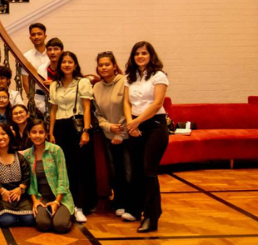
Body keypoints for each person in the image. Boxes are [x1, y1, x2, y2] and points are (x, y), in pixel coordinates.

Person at [123, 41, 170, 233]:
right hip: (134, 124)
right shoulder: (130, 76)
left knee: (149, 171)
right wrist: (130, 123)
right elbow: (126, 102)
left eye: (144, 53)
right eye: (137, 54)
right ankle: (136, 209)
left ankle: (152, 217)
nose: (140, 56)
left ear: (151, 55)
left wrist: (137, 122)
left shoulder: (159, 76)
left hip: (155, 125)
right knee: (136, 170)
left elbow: (157, 103)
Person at [48, 50, 95, 222]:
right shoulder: (55, 85)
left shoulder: (82, 82)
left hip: (77, 127)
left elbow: (87, 108)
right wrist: (51, 132)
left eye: (70, 61)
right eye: (64, 62)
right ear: (59, 65)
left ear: (75, 65)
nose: (67, 64)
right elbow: (53, 110)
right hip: (60, 127)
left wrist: (86, 131)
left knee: (79, 168)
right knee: (64, 168)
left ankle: (80, 206)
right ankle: (67, 204)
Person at [93, 51, 131, 220]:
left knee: (128, 171)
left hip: (127, 135)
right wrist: (108, 127)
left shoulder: (125, 82)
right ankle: (119, 200)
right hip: (108, 135)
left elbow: (128, 108)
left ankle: (130, 203)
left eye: (107, 64)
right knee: (114, 171)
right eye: (101, 65)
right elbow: (97, 114)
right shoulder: (96, 87)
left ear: (114, 66)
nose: (104, 68)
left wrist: (120, 132)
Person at [21, 118, 74, 233]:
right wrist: (35, 201)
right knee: (43, 224)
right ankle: (52, 214)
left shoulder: (55, 150)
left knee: (60, 225)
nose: (37, 135)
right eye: (34, 132)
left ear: (46, 134)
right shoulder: (27, 155)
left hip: (60, 197)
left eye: (41, 132)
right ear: (28, 134)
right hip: (41, 198)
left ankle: (67, 213)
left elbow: (63, 179)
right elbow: (29, 183)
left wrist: (56, 202)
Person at [0, 123, 34, 227]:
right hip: (2, 197)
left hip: (20, 196)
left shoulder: (20, 157)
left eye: (3, 134)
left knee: (30, 219)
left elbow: (26, 175)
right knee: (7, 221)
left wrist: (20, 189)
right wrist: (3, 192)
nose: (0, 137)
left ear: (9, 136)